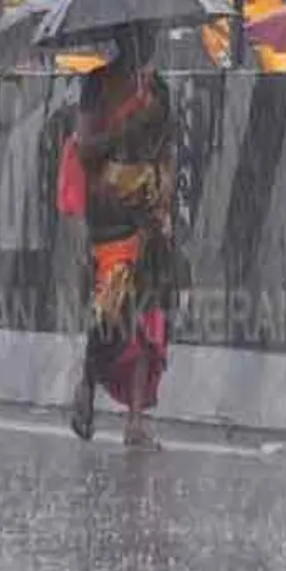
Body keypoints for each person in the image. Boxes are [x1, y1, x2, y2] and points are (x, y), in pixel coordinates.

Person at [62, 23, 179, 450]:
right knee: (113, 315)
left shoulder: (159, 88)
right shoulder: (97, 85)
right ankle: (88, 383)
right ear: (123, 41)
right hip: (109, 213)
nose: (145, 45)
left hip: (149, 211)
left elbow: (167, 146)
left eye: (150, 38)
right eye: (138, 38)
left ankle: (136, 419)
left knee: (150, 319)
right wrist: (127, 128)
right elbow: (86, 148)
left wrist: (164, 195)